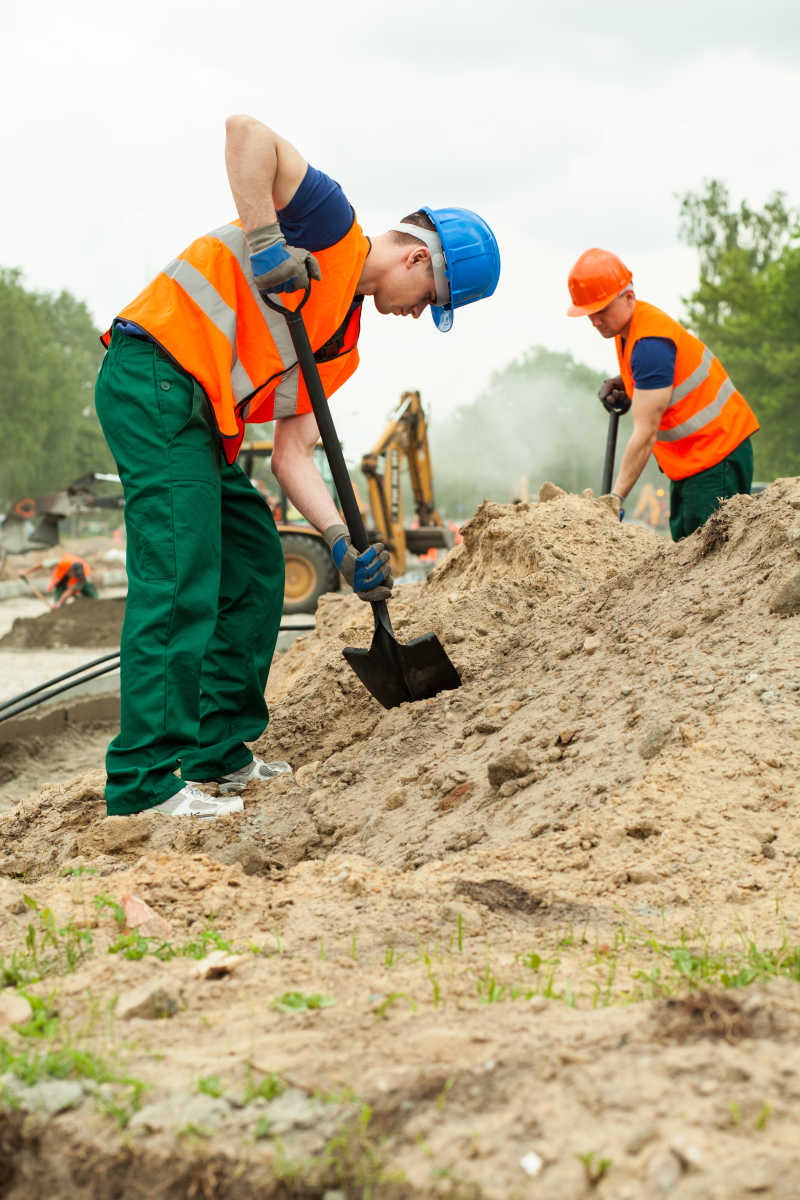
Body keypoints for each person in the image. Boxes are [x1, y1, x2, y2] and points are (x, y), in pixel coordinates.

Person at [94, 114, 501, 820]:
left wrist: (342, 541)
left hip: (199, 417)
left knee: (254, 560)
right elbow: (245, 132)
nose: (420, 313)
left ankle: (218, 754)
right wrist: (266, 243)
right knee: (181, 571)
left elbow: (291, 457)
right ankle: (143, 785)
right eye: (432, 299)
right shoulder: (330, 227)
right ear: (415, 259)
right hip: (154, 376)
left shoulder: (343, 343)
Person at [566, 248, 759, 541]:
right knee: (687, 556)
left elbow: (645, 435)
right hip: (693, 460)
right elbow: (662, 380)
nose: (595, 320)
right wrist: (629, 385)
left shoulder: (649, 345)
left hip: (716, 455)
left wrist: (615, 498)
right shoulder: (628, 332)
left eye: (601, 309)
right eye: (589, 313)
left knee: (708, 560)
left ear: (628, 298)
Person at [22, 554, 99, 607]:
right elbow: (42, 564)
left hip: (79, 583)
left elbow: (70, 591)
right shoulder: (62, 562)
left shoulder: (83, 573)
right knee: (58, 606)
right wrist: (26, 572)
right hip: (61, 583)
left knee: (95, 599)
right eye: (74, 575)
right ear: (71, 571)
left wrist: (60, 602)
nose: (75, 576)